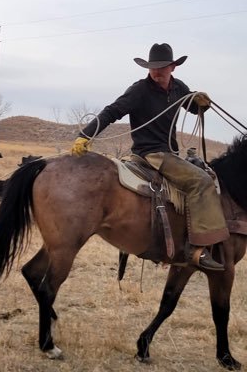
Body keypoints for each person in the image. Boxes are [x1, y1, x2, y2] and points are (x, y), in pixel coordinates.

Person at [71, 43, 228, 271]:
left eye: (162, 67)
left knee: (206, 175)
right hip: (151, 153)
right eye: (153, 67)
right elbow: (112, 111)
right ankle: (196, 249)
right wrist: (85, 134)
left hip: (171, 153)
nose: (157, 72)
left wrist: (203, 103)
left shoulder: (178, 88)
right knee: (200, 182)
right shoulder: (139, 90)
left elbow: (194, 109)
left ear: (173, 67)